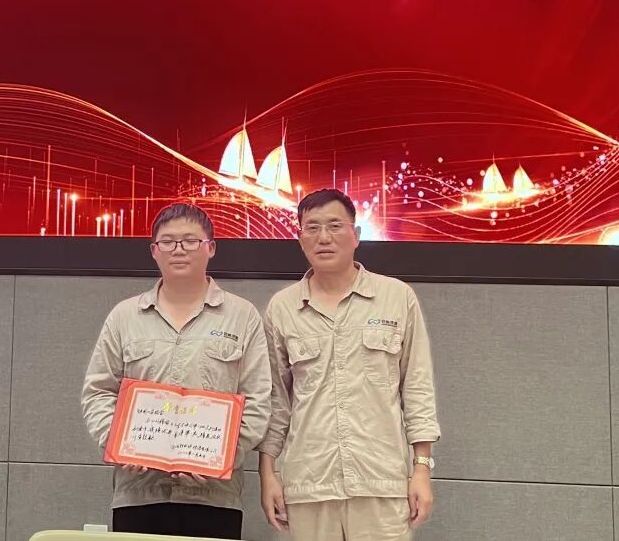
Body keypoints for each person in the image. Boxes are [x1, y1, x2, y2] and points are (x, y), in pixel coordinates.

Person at [259, 188, 441, 540]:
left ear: (356, 235)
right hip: (309, 484)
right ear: (300, 239)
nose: (324, 237)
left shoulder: (396, 297)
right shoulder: (282, 308)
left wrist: (421, 469)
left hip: (380, 483)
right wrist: (268, 474)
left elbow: (417, 388)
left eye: (334, 226)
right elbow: (276, 402)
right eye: (312, 228)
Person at [82, 203, 271, 539]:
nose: (179, 249)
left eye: (190, 240)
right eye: (168, 242)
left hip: (215, 496)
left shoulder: (242, 317)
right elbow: (98, 391)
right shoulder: (125, 317)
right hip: (138, 492)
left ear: (211, 247)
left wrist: (222, 457)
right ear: (154, 251)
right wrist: (118, 443)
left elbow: (258, 400)